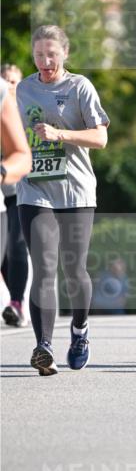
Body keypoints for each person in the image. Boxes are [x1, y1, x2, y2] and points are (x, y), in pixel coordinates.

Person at [16, 25, 110, 374]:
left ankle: (80, 330)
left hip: (76, 189)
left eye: (52, 53)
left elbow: (100, 138)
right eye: (39, 54)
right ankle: (43, 348)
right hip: (34, 188)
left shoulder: (79, 87)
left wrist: (60, 134)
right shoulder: (22, 89)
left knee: (74, 270)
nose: (45, 60)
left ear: (65, 53)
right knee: (43, 267)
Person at [1, 64, 31, 325]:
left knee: (17, 244)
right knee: (3, 252)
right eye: (5, 80)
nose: (9, 85)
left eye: (14, 81)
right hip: (2, 191)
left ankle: (17, 303)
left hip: (22, 190)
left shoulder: (26, 111)